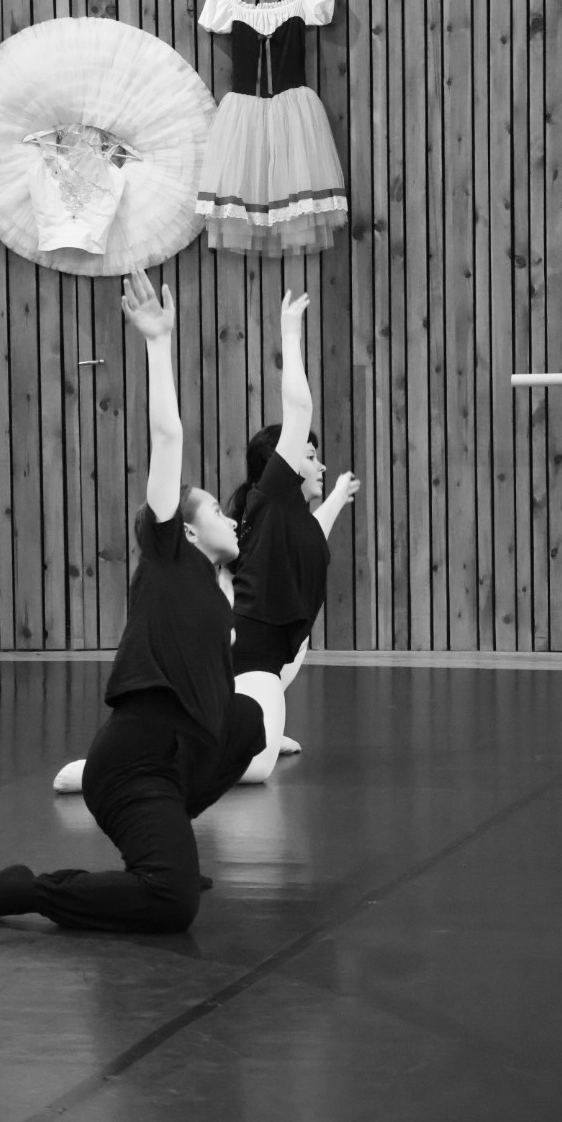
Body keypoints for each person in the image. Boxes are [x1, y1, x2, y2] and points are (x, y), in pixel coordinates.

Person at [0, 270, 264, 932]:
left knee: (246, 718)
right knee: (171, 905)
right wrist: (158, 345)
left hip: (182, 757)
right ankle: (33, 889)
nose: (231, 517)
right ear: (184, 527)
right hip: (135, 762)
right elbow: (168, 438)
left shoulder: (216, 587)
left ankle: (166, 842)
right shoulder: (168, 554)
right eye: (214, 510)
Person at [229, 289, 359, 783]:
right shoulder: (273, 497)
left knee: (265, 730)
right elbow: (298, 408)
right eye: (309, 455)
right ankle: (112, 772)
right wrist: (291, 334)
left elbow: (315, 536)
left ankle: (258, 718)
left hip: (276, 661)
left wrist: (338, 496)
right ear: (281, 467)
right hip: (252, 659)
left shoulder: (291, 522)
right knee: (256, 769)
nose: (319, 462)